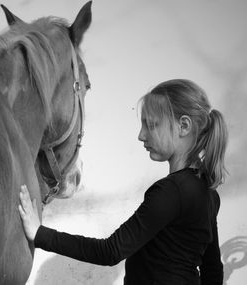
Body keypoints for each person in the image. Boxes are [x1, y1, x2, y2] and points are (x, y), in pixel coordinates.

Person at [18, 79, 228, 285]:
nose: (141, 135)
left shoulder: (171, 192)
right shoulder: (208, 193)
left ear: (183, 126)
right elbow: (213, 271)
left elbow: (110, 251)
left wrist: (40, 234)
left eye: (151, 124)